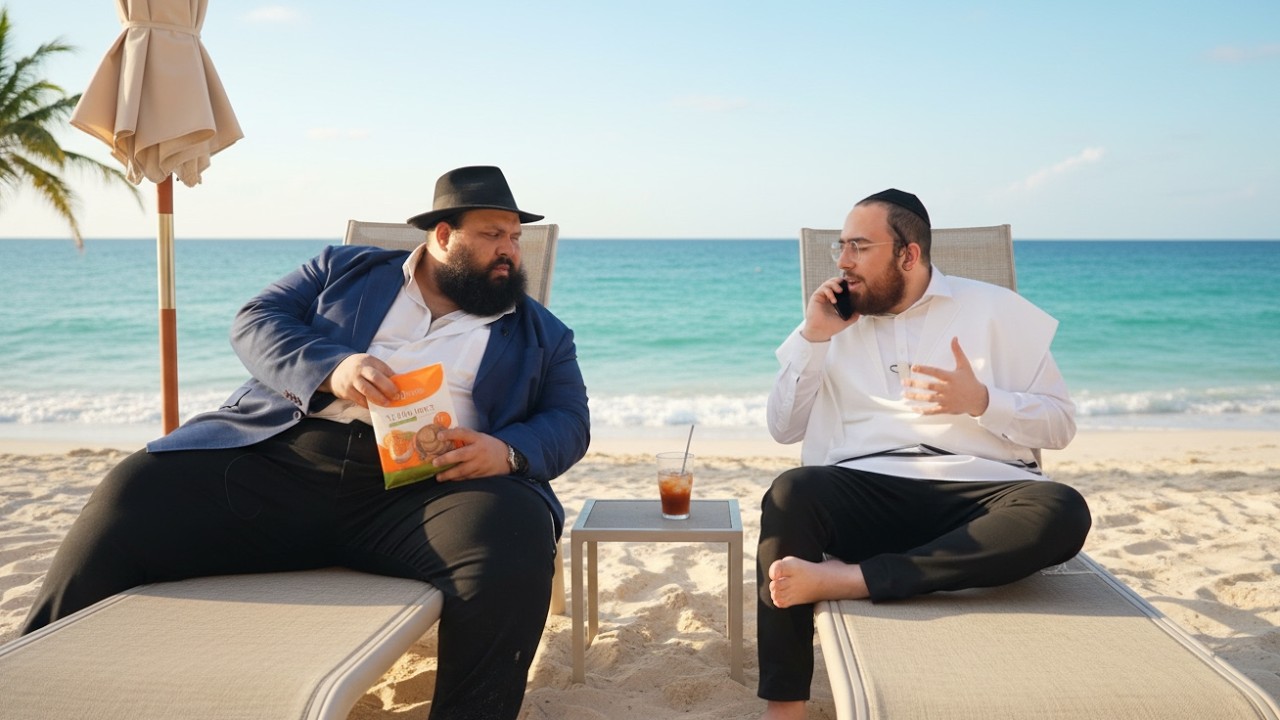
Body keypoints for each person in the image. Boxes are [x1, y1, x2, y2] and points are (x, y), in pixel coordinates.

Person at [22, 165, 590, 720]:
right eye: (492, 235)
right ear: (443, 236)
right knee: (136, 489)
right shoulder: (341, 269)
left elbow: (568, 419)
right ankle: (29, 682)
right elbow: (255, 320)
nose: (509, 250)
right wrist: (332, 368)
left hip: (424, 494)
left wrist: (505, 452)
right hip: (283, 466)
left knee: (515, 535)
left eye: (515, 237)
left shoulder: (543, 332)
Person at [756, 189, 1091, 720]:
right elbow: (783, 428)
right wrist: (813, 339)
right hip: (867, 492)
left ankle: (854, 579)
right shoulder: (830, 322)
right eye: (841, 246)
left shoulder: (996, 311)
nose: (843, 262)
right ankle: (786, 707)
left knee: (1064, 510)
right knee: (791, 492)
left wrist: (983, 401)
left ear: (908, 255)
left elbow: (1060, 425)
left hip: (978, 496)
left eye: (860, 247)